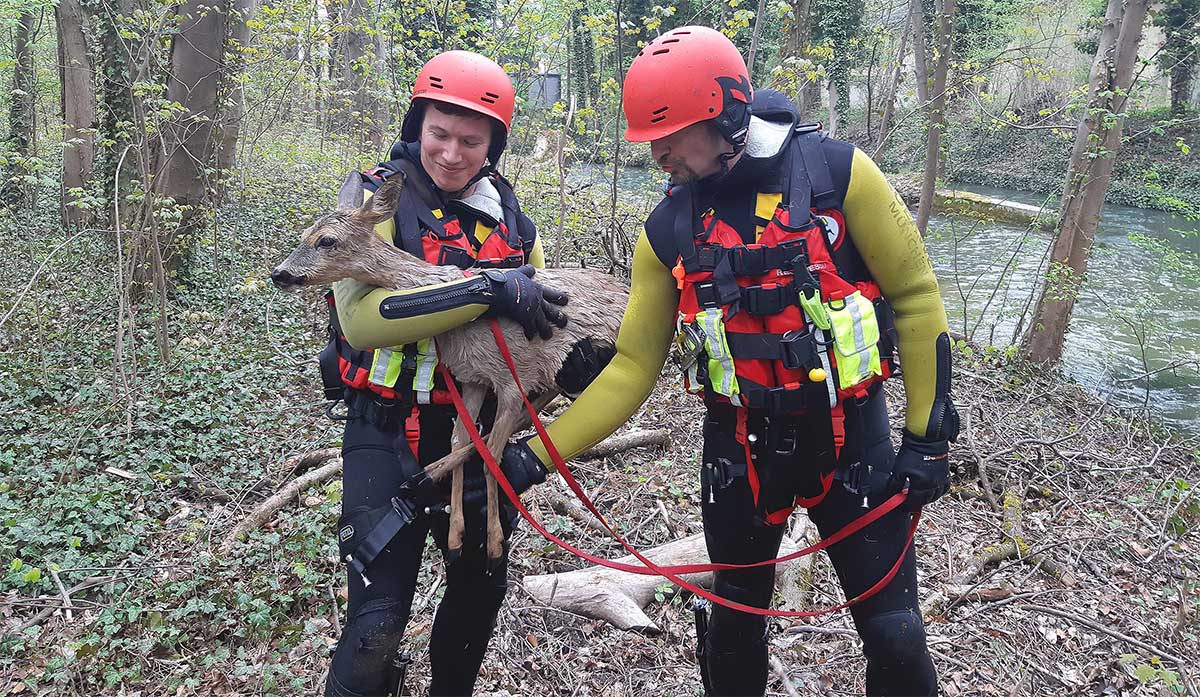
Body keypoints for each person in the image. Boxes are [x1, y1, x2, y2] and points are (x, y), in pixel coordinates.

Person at [483, 26, 960, 697]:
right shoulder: (669, 228)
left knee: (895, 634)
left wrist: (928, 436)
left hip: (855, 444)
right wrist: (531, 459)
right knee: (734, 629)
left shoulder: (839, 176)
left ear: (724, 116)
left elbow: (916, 297)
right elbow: (630, 369)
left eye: (672, 136)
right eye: (652, 139)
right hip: (739, 454)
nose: (658, 154)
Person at [320, 50, 576, 697]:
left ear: (493, 145)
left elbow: (544, 321)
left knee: (474, 604)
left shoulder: (512, 220)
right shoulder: (369, 198)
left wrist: (577, 368)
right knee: (374, 628)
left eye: (471, 139)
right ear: (416, 122)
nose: (452, 152)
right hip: (385, 433)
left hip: (479, 442)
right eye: (439, 132)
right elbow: (361, 321)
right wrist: (486, 286)